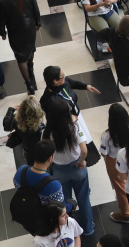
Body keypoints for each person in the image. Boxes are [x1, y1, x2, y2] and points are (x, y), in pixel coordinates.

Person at [43, 97, 94, 237]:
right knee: (84, 199)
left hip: (59, 172)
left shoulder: (47, 132)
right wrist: (82, 162)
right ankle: (88, 229)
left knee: (63, 204)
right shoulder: (75, 127)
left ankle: (67, 230)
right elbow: (84, 150)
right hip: (77, 168)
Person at [0, 0, 42, 93]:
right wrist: (38, 23)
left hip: (15, 31)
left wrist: (3, 32)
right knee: (31, 48)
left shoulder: (3, 0)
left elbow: (2, 19)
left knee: (20, 57)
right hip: (30, 29)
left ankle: (29, 85)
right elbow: (36, 10)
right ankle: (31, 67)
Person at [6, 96, 45, 161]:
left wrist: (10, 110)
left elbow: (6, 126)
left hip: (28, 151)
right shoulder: (41, 128)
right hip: (40, 151)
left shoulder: (16, 120)